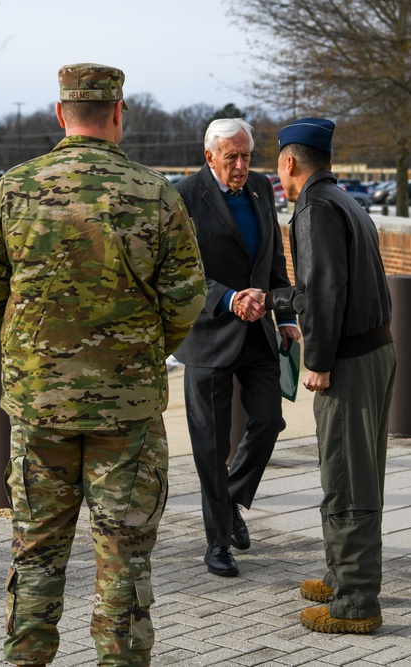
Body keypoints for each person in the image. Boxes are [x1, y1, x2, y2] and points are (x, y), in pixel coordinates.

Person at [0, 63, 206, 666]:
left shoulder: (13, 189)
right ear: (119, 112)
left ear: (59, 112)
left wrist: (31, 348)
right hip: (127, 414)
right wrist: (141, 351)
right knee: (123, 556)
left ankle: (26, 659)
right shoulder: (154, 193)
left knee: (36, 552)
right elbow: (187, 298)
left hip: (40, 408)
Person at [266, 117, 396, 634]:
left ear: (289, 163)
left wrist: (316, 360)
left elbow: (324, 291)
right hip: (373, 351)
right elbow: (329, 288)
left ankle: (356, 600)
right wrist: (278, 300)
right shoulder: (344, 201)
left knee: (346, 478)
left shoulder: (314, 207)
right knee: (356, 471)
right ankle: (343, 573)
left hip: (348, 361)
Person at [173, 118, 300, 577]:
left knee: (269, 420)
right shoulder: (184, 197)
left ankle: (230, 502)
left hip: (258, 334)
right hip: (207, 336)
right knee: (209, 445)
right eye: (233, 158)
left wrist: (285, 316)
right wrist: (228, 298)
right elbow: (180, 272)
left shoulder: (263, 190)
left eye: (247, 156)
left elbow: (274, 258)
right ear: (210, 157)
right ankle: (217, 543)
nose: (242, 165)